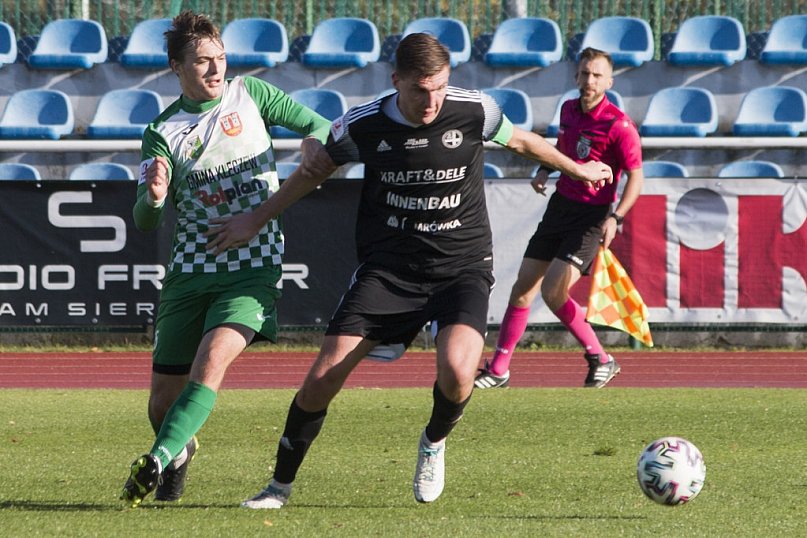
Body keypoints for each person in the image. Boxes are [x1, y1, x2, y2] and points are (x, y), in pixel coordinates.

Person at [203, 32, 612, 509]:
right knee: (321, 379)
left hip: (461, 265)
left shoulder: (474, 109)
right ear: (397, 80)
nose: (432, 101)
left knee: (458, 372)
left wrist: (578, 169)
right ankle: (278, 487)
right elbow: (314, 168)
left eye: (440, 88)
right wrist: (255, 219)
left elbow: (522, 141)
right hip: (390, 270)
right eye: (421, 90)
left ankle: (434, 441)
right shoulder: (366, 124)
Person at [119, 10, 333, 507]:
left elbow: (323, 124)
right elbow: (145, 220)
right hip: (190, 273)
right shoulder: (162, 132)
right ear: (177, 67)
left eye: (220, 58)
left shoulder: (250, 94)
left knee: (211, 361)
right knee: (162, 403)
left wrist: (312, 139)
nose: (216, 69)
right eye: (202, 61)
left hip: (252, 267)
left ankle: (155, 460)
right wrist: (153, 197)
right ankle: (179, 449)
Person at [474, 47, 644, 391]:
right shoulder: (568, 109)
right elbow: (563, 148)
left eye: (596, 75)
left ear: (609, 82)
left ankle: (601, 357)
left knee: (553, 291)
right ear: (576, 76)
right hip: (560, 208)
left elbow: (636, 177)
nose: (589, 80)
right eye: (584, 73)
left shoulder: (619, 125)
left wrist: (616, 217)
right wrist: (544, 169)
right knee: (522, 289)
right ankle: (500, 369)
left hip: (590, 218)